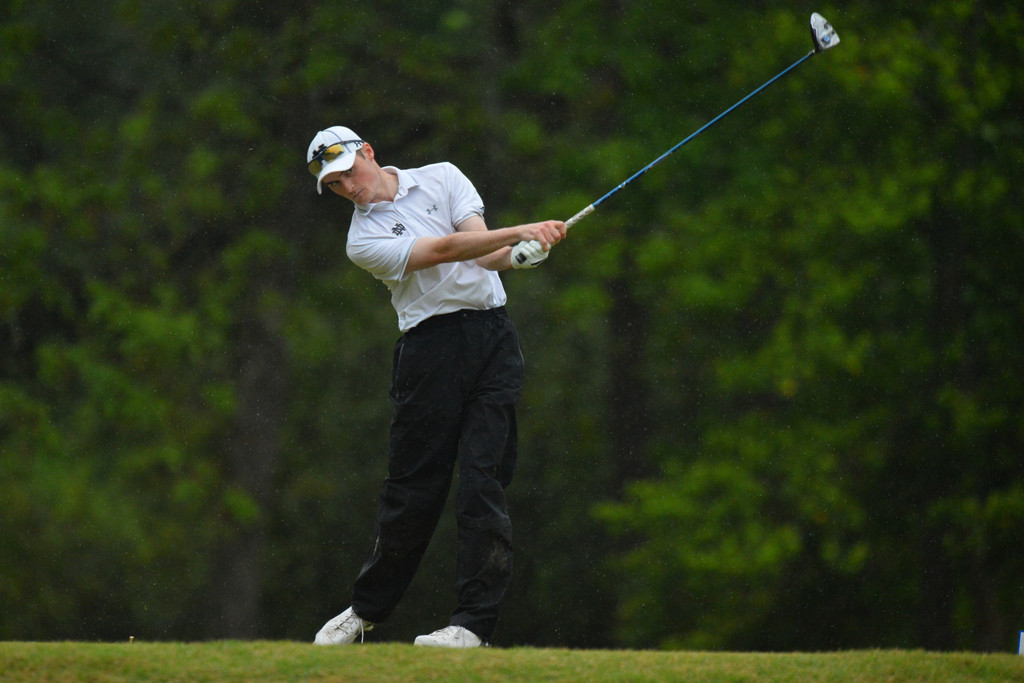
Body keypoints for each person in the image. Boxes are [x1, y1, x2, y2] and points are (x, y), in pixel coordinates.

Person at [306, 126, 566, 648]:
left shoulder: (443, 178)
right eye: (333, 185)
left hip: (493, 340)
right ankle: (366, 610)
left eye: (348, 173)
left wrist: (519, 254)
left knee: (482, 481)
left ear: (368, 152)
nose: (347, 188)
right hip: (429, 351)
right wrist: (521, 230)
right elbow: (446, 249)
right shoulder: (362, 241)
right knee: (413, 489)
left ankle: (472, 626)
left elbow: (484, 255)